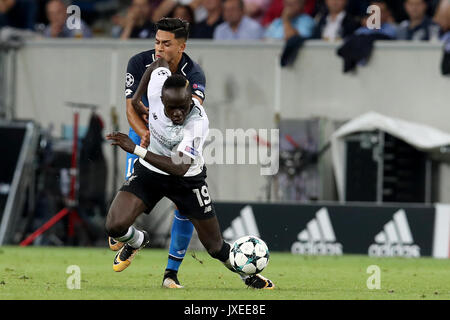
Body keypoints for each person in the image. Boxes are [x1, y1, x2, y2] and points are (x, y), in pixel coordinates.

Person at [105, 57, 275, 290]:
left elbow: (179, 167)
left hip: (187, 180)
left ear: (190, 102)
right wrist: (136, 98)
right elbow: (158, 63)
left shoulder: (198, 122)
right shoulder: (156, 89)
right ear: (160, 99)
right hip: (150, 173)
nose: (177, 114)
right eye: (171, 108)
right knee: (114, 226)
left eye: (182, 108)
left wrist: (136, 149)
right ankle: (137, 240)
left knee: (215, 247)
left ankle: (247, 276)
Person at [113, 17, 206, 289]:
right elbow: (131, 107)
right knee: (128, 206)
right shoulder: (138, 62)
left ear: (181, 46)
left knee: (184, 204)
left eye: (166, 44)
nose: (159, 49)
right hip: (143, 138)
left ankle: (171, 274)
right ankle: (135, 240)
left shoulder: (195, 75)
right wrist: (143, 133)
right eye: (157, 42)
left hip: (176, 144)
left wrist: (168, 138)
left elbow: (190, 115)